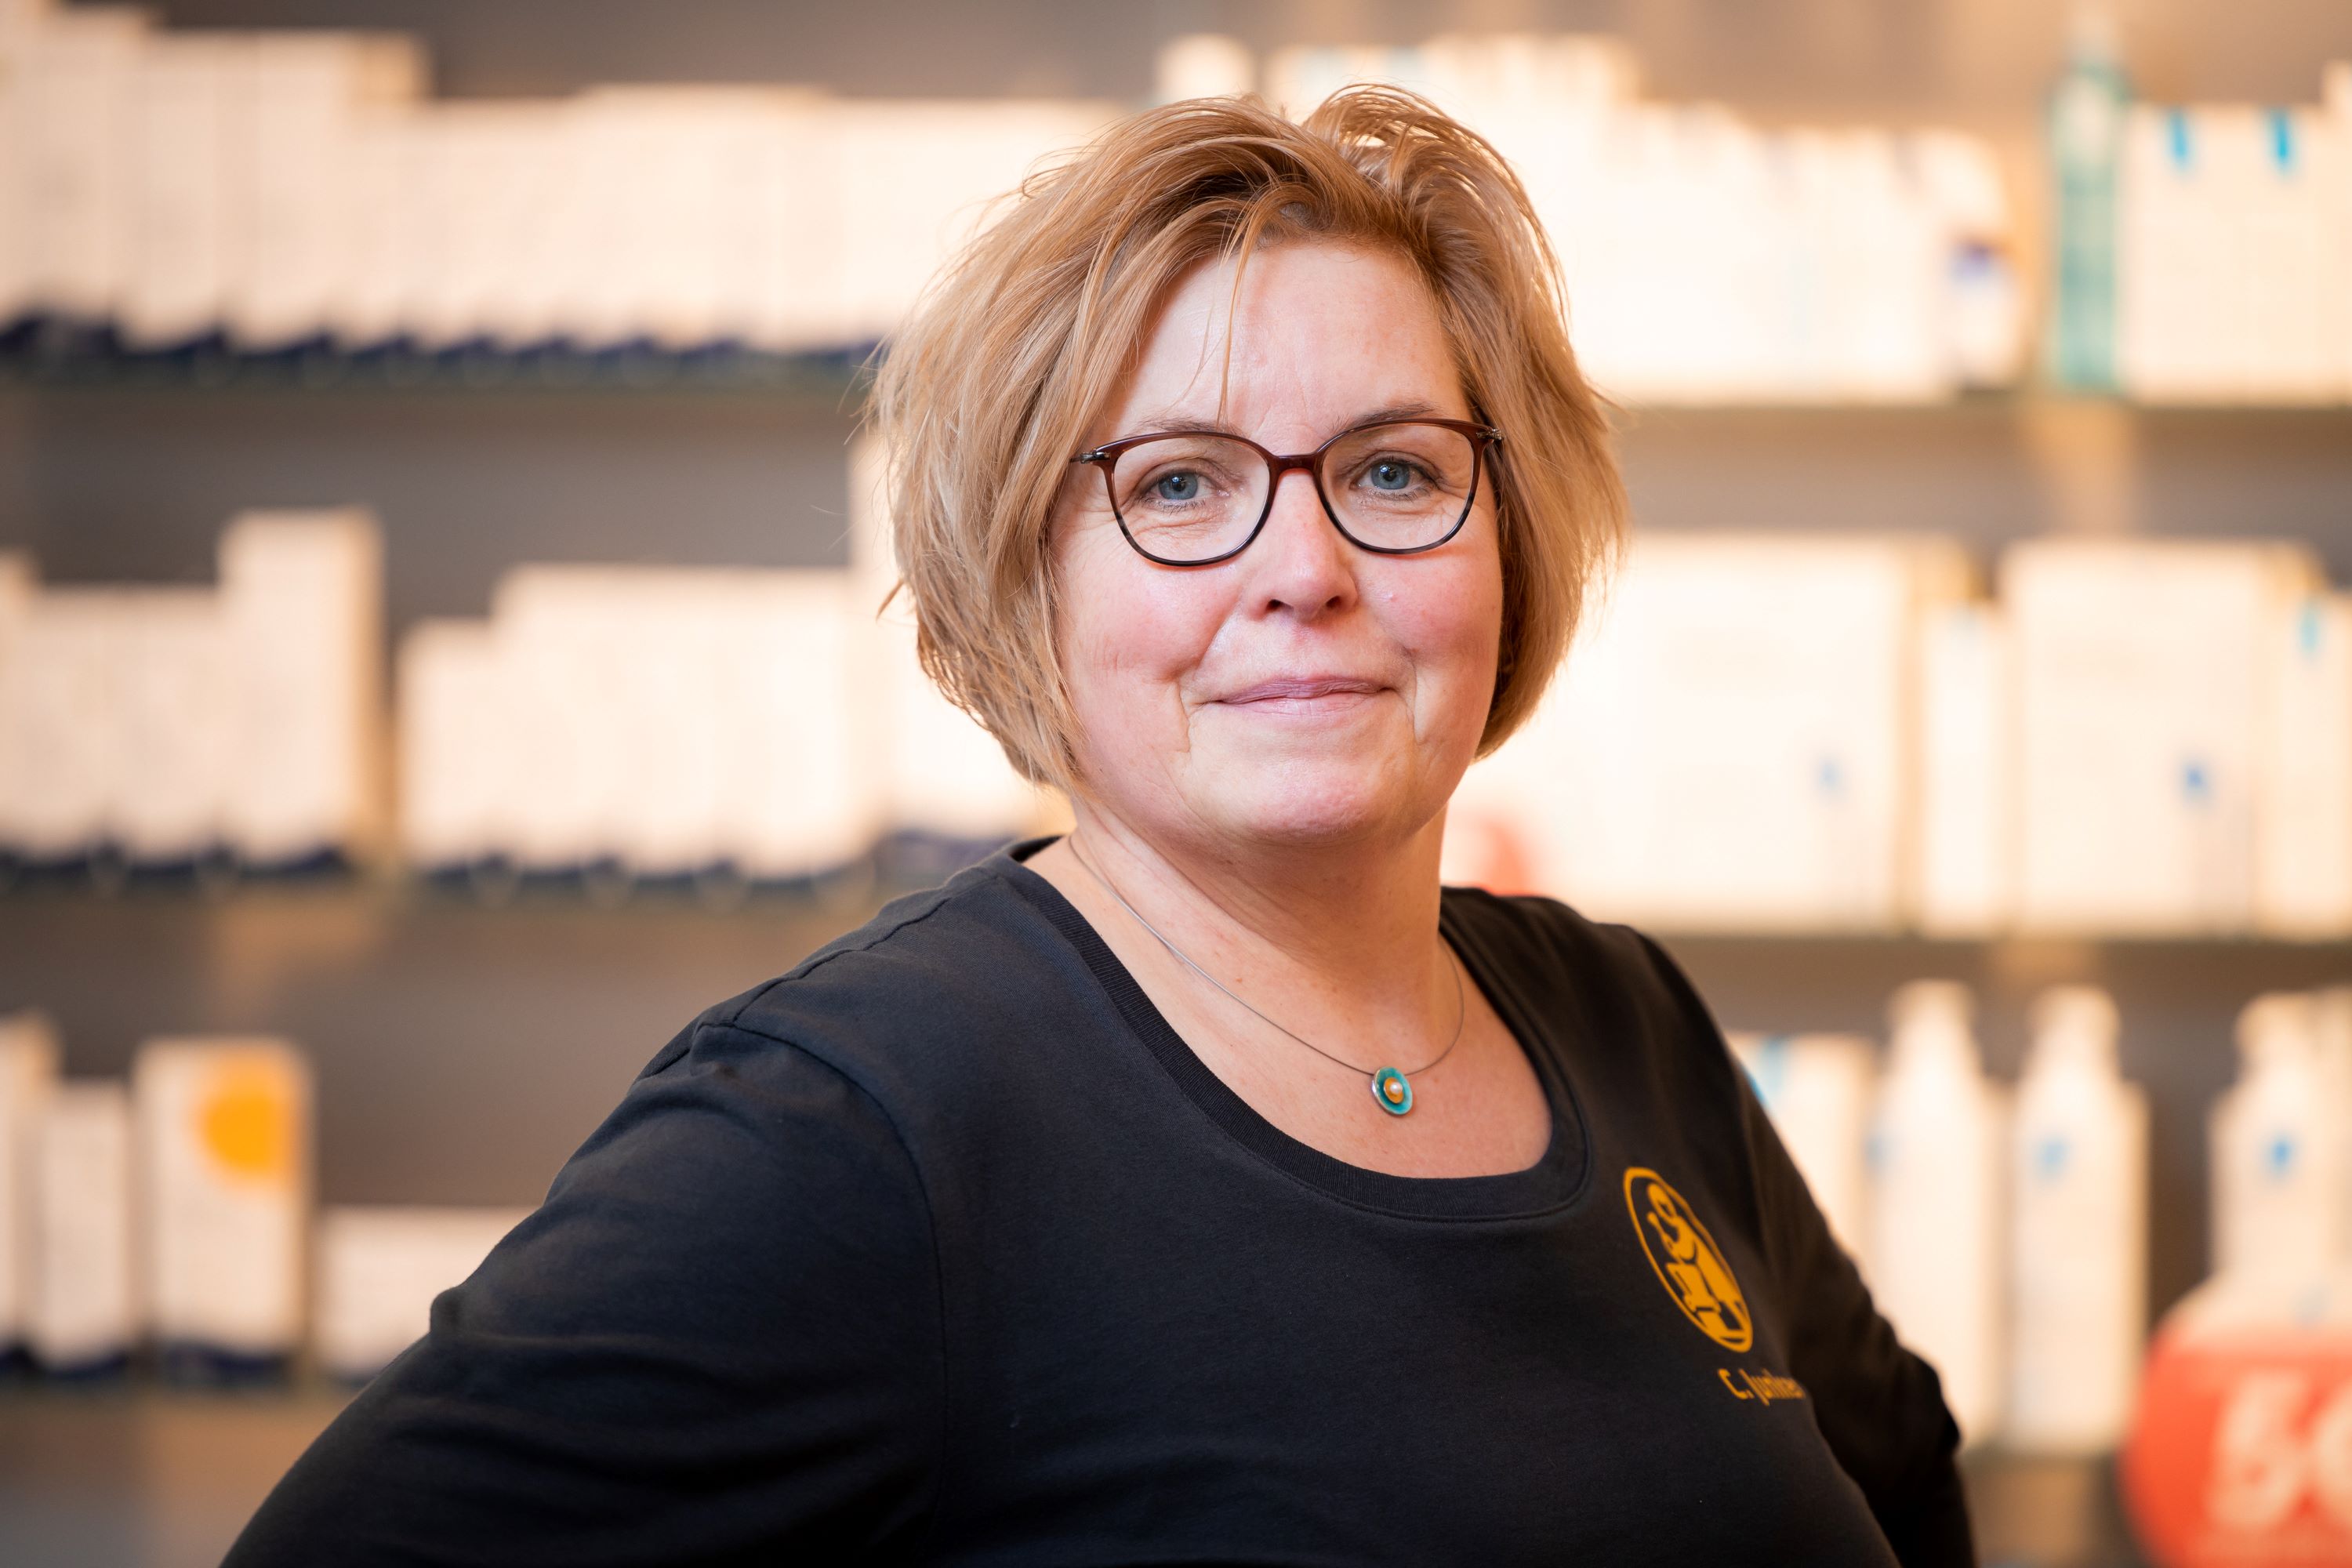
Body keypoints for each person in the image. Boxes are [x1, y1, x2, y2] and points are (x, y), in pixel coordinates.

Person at [229, 89, 1972, 1565]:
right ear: (1024, 578)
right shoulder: (865, 1125)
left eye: (1392, 469)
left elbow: (1901, 1493)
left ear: (1508, 540)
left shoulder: (1624, 1024)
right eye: (1181, 484)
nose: (1306, 570)